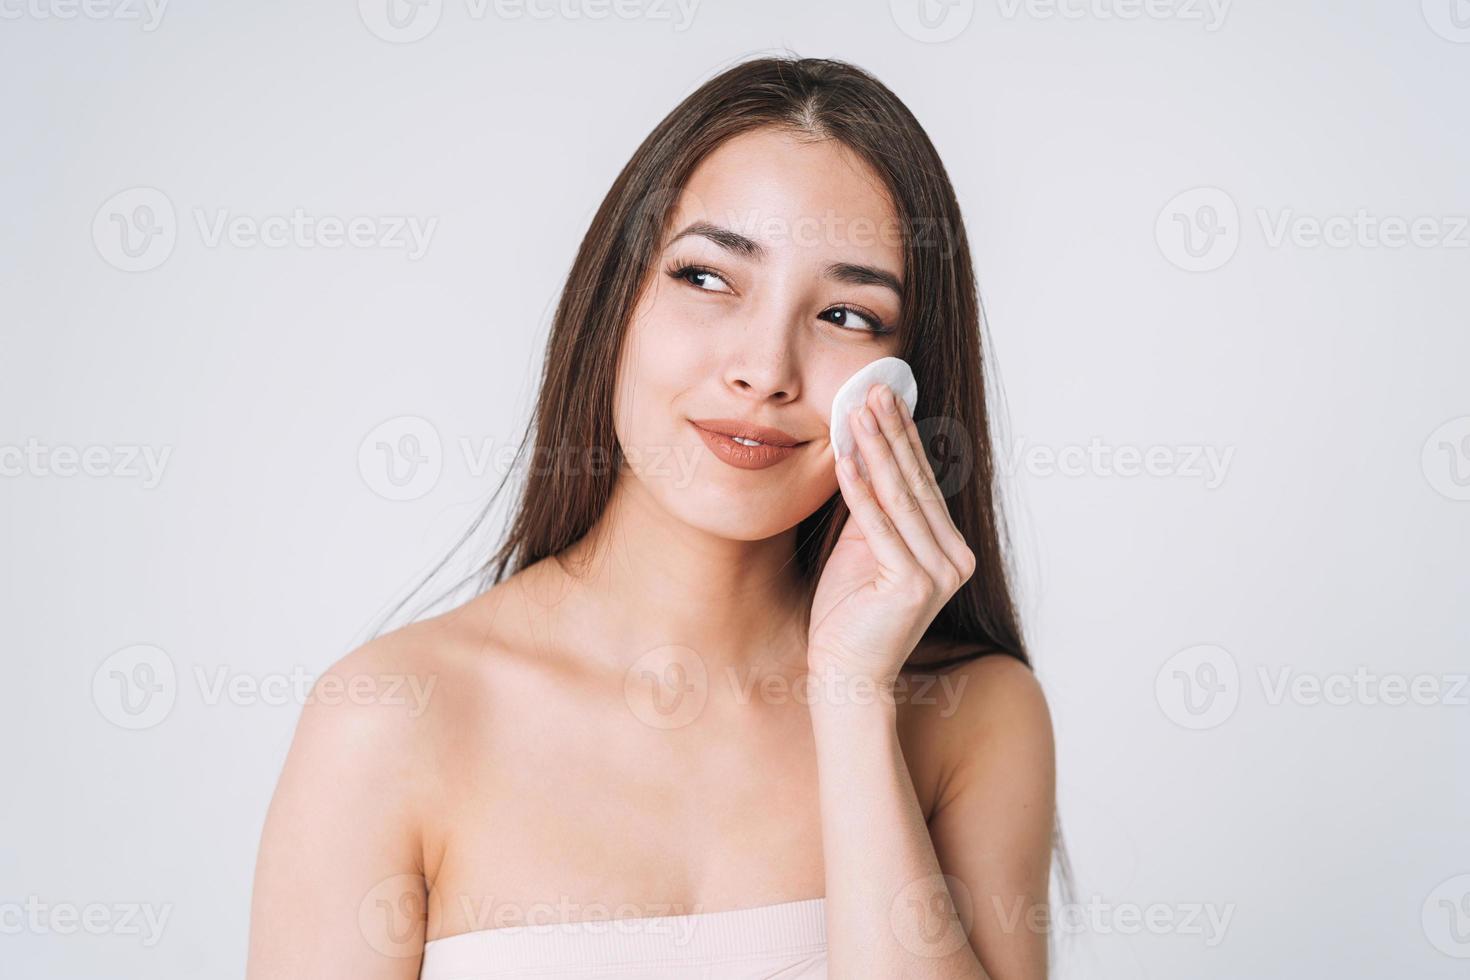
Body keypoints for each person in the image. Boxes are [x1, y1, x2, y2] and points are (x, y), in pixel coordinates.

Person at [246, 55, 1059, 980]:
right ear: (615, 302)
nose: (764, 370)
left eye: (845, 313)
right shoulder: (391, 719)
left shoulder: (976, 718)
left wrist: (850, 696)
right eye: (708, 279)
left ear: (907, 382)